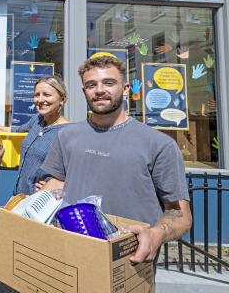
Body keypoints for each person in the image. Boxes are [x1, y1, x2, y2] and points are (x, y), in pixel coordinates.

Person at [40, 55, 192, 265]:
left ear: (126, 88)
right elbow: (57, 184)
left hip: (129, 260)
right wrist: (28, 211)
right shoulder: (67, 136)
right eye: (91, 85)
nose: (99, 90)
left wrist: (156, 234)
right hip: (71, 253)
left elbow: (180, 215)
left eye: (109, 83)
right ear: (84, 91)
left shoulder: (159, 144)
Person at [0, 75, 69, 195]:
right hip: (19, 195)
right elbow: (16, 130)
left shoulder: (68, 132)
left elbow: (75, 172)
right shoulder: (37, 120)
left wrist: (59, 186)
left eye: (47, 95)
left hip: (39, 203)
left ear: (62, 99)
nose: (40, 100)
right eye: (37, 95)